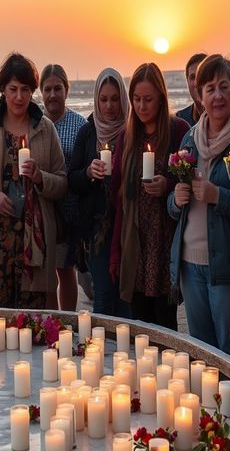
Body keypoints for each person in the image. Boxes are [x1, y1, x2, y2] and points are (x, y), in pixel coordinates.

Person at [167, 55, 230, 359]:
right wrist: (175, 200)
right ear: (199, 95)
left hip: (226, 265)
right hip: (189, 264)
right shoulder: (190, 139)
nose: (217, 95)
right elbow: (173, 206)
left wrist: (218, 195)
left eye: (224, 86)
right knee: (200, 353)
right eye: (210, 89)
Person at [0, 53, 67, 309]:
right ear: (2, 90)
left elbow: (62, 182)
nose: (19, 97)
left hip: (35, 244)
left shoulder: (45, 129)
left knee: (33, 320)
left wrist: (41, 178)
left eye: (25, 90)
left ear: (32, 91)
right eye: (13, 89)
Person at [109, 63, 189, 329]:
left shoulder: (178, 131)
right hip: (136, 242)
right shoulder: (127, 137)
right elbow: (120, 200)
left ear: (161, 98)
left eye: (148, 99)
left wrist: (167, 184)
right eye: (136, 99)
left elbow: (189, 179)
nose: (141, 106)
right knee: (140, 326)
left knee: (166, 326)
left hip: (165, 243)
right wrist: (116, 252)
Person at [68, 67, 131, 317]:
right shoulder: (88, 131)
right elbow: (72, 180)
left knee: (125, 294)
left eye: (115, 99)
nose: (109, 106)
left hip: (126, 226)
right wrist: (88, 173)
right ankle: (102, 341)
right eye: (103, 99)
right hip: (97, 229)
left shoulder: (132, 130)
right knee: (103, 292)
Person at [40, 64, 86, 311]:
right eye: (47, 89)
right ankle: (50, 323)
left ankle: (67, 321)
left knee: (66, 270)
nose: (52, 94)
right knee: (45, 274)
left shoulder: (79, 125)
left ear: (66, 90)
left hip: (67, 211)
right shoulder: (34, 123)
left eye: (57, 88)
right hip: (39, 211)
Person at [176, 52, 208, 127]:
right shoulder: (179, 121)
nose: (197, 82)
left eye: (202, 75)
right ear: (187, 81)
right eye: (193, 77)